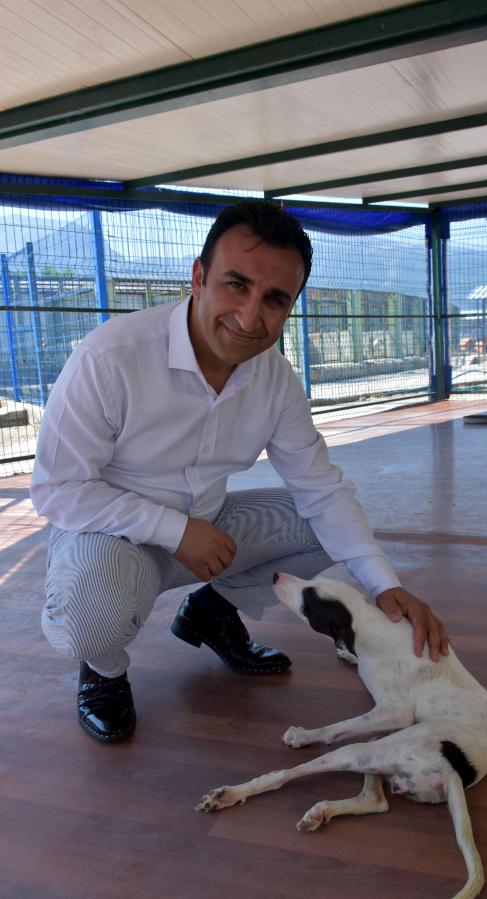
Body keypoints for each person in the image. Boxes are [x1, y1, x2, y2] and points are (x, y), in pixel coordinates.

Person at [30, 200, 448, 744]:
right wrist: (176, 531)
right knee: (87, 617)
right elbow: (58, 489)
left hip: (210, 530)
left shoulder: (275, 379)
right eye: (236, 285)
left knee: (320, 523)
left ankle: (210, 613)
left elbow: (321, 489)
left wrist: (385, 586)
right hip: (112, 537)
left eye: (275, 299)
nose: (250, 318)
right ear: (198, 277)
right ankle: (104, 669)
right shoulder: (110, 356)